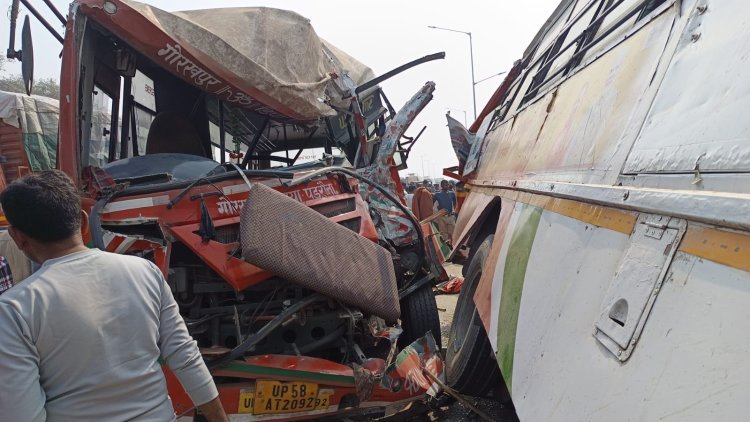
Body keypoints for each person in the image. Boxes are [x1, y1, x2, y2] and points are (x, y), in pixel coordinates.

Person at [0, 170, 227, 421]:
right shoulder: (145, 272)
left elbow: (22, 415)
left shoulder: (14, 310)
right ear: (84, 222)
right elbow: (186, 357)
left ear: (17, 237)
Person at [433, 180, 457, 244]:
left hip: (450, 216)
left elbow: (455, 203)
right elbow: (431, 203)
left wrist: (453, 210)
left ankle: (450, 243)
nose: (447, 186)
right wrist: (437, 210)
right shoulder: (437, 195)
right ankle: (448, 246)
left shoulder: (452, 193)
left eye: (447, 184)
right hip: (442, 217)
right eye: (445, 184)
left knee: (452, 232)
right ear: (441, 186)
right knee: (444, 233)